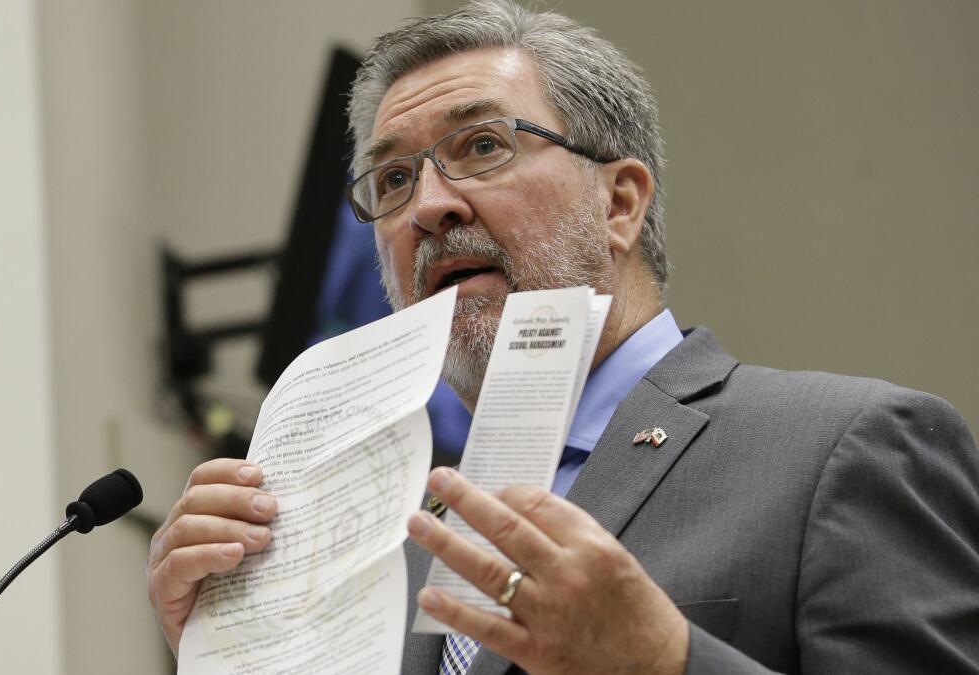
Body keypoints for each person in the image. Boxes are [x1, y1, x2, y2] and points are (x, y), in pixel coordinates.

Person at [146, 1, 979, 673]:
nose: (429, 205)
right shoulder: (378, 547)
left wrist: (665, 660)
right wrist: (230, 648)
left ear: (619, 203)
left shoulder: (845, 447)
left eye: (481, 146)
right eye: (393, 178)